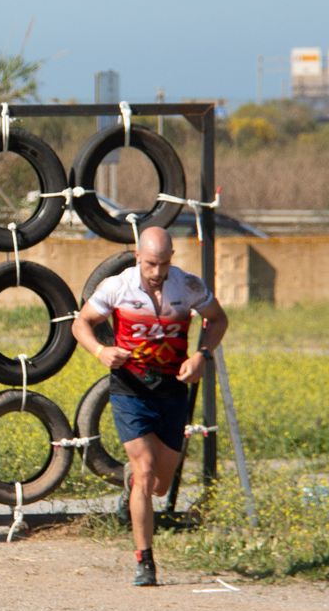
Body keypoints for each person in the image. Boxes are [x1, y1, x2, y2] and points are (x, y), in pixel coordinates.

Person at [72, 226, 228, 586]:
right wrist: (100, 350)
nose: (158, 273)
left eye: (164, 264)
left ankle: (133, 486)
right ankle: (145, 561)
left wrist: (202, 355)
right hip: (130, 389)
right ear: (138, 257)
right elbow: (81, 323)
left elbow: (217, 319)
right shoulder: (117, 286)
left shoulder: (186, 286)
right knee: (144, 471)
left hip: (172, 391)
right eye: (151, 264)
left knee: (160, 484)